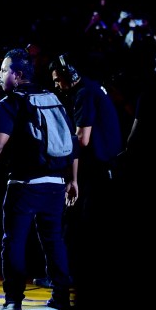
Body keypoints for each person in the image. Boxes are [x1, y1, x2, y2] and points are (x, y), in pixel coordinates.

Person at [0, 48, 78, 310]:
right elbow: (70, 142)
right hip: (55, 183)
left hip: (24, 185)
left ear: (18, 74)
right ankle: (61, 297)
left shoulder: (10, 103)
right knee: (54, 241)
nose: (0, 74)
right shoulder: (52, 98)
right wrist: (73, 179)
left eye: (4, 70)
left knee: (14, 242)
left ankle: (13, 300)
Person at [47, 54, 122, 285]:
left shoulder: (84, 94)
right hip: (106, 167)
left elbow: (82, 139)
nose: (57, 85)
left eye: (59, 80)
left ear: (70, 75)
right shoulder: (91, 88)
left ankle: (68, 277)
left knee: (76, 223)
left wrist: (53, 146)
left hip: (96, 170)